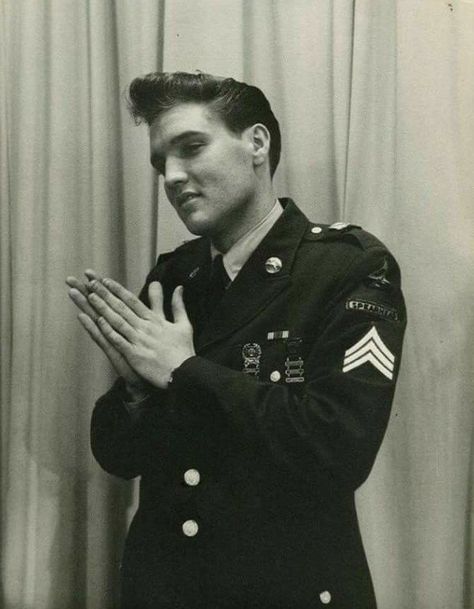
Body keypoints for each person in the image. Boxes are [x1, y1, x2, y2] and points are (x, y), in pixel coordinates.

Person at [66, 72, 406, 609]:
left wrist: (183, 371)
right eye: (160, 163)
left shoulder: (346, 267)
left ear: (256, 143)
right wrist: (133, 393)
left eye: (191, 147)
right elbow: (118, 455)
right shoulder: (177, 276)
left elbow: (340, 448)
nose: (172, 177)